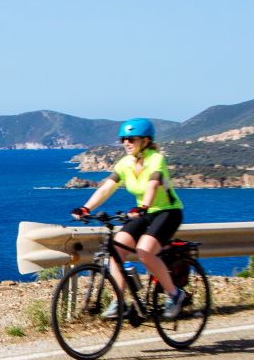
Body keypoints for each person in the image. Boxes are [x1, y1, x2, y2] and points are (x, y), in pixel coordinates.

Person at [71, 118, 188, 320]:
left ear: (145, 140)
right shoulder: (125, 163)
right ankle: (120, 302)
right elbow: (107, 187)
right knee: (116, 249)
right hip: (144, 212)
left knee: (145, 251)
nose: (126, 143)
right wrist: (86, 207)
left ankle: (175, 295)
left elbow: (152, 185)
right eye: (123, 139)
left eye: (131, 139)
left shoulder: (156, 159)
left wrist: (143, 207)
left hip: (167, 212)